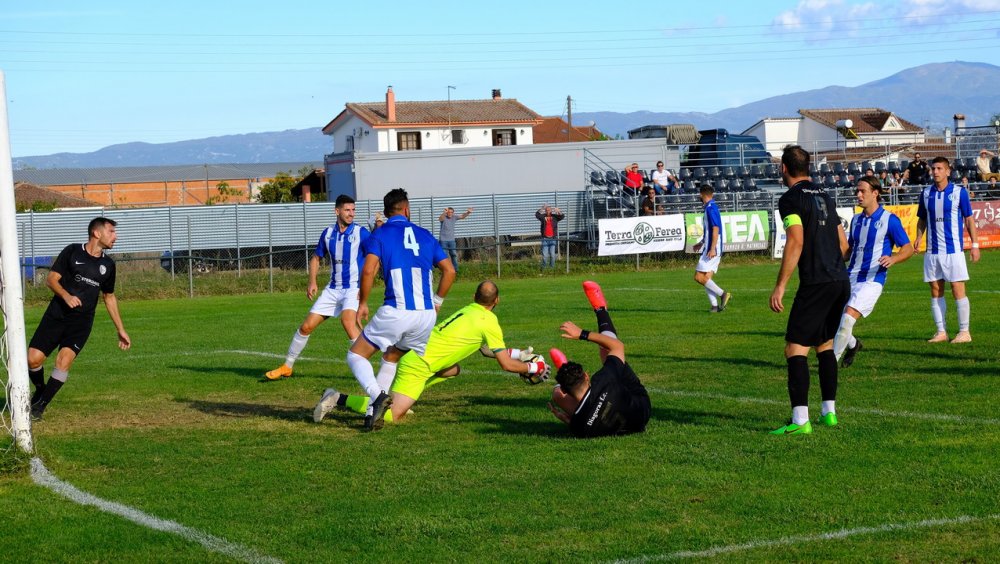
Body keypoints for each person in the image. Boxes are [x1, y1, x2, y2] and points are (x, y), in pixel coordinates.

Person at [313, 280, 549, 426]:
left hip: (418, 353)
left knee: (454, 370)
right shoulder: (489, 322)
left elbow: (486, 349)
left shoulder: (469, 310)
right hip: (419, 365)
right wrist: (533, 367)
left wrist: (519, 354)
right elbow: (504, 364)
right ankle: (337, 398)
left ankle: (408, 395)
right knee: (390, 416)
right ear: (497, 300)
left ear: (474, 297)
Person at [336, 188, 456, 431]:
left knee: (356, 355)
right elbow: (450, 271)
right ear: (406, 209)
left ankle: (376, 395)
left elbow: (368, 270)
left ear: (388, 211)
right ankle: (373, 415)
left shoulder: (380, 235)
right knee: (391, 356)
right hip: (425, 316)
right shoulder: (425, 234)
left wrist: (362, 303)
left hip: (397, 310)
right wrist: (438, 301)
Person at [769, 145, 850, 435]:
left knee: (795, 349)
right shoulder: (825, 196)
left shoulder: (790, 199)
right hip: (840, 279)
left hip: (816, 282)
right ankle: (829, 413)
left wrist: (780, 286)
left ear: (784, 169)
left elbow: (796, 241)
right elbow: (843, 245)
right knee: (824, 345)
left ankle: (800, 421)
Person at [26, 217, 131, 420]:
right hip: (57, 314)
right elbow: (51, 280)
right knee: (33, 359)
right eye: (111, 232)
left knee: (63, 361)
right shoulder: (72, 251)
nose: (115, 237)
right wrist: (66, 296)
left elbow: (109, 296)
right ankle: (40, 389)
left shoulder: (108, 265)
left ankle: (39, 407)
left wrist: (120, 329)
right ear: (96, 233)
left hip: (81, 322)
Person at [265, 195, 369, 380]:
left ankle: (367, 372)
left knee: (347, 322)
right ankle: (287, 366)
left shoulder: (361, 233)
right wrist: (312, 281)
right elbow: (315, 258)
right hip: (332, 290)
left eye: (353, 210)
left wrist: (364, 292)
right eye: (347, 210)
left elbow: (374, 257)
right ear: (337, 211)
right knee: (306, 327)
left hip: (353, 288)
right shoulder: (328, 233)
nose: (351, 214)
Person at [548, 281, 651, 438]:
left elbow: (577, 425)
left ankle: (564, 370)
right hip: (641, 408)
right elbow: (617, 346)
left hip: (621, 420)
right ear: (587, 376)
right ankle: (600, 309)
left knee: (556, 395)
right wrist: (582, 334)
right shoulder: (604, 380)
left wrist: (567, 419)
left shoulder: (578, 427)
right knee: (606, 351)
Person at [833, 178, 914, 368]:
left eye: (862, 191)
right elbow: (849, 253)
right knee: (833, 322)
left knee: (847, 316)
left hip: (872, 279)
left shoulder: (889, 220)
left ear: (875, 193)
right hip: (850, 276)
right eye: (857, 191)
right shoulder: (856, 220)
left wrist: (893, 259)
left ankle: (830, 365)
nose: (858, 195)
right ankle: (854, 345)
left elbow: (908, 248)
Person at [914, 157, 980, 344]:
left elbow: (968, 220)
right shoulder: (926, 193)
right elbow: (922, 219)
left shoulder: (959, 193)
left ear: (948, 171)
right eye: (933, 168)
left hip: (953, 251)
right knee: (935, 290)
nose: (935, 172)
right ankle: (941, 331)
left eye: (939, 168)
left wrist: (975, 245)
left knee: (957, 288)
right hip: (932, 251)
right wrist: (919, 237)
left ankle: (964, 332)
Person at [692, 183, 731, 312]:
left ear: (701, 194)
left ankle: (723, 294)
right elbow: (710, 230)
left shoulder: (711, 208)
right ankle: (714, 306)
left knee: (698, 277)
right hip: (711, 247)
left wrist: (712, 248)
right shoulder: (709, 207)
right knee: (706, 278)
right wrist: (702, 242)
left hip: (712, 249)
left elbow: (715, 229)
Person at [438, 206, 473, 272]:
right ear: (447, 212)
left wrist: (468, 212)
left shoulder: (454, 217)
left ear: (453, 213)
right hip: (443, 240)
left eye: (451, 212)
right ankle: (445, 270)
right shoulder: (444, 217)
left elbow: (462, 216)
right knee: (444, 256)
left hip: (451, 240)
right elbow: (440, 219)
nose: (450, 213)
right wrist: (444, 213)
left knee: (453, 255)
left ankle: (455, 269)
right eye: (449, 212)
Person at [536, 204, 564, 270]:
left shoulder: (555, 217)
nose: (548, 211)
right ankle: (544, 268)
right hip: (545, 239)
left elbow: (562, 216)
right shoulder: (543, 217)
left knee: (552, 255)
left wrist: (559, 211)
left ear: (551, 210)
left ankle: (552, 268)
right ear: (545, 211)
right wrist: (542, 208)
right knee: (545, 256)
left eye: (549, 210)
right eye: (546, 210)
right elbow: (537, 215)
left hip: (553, 239)